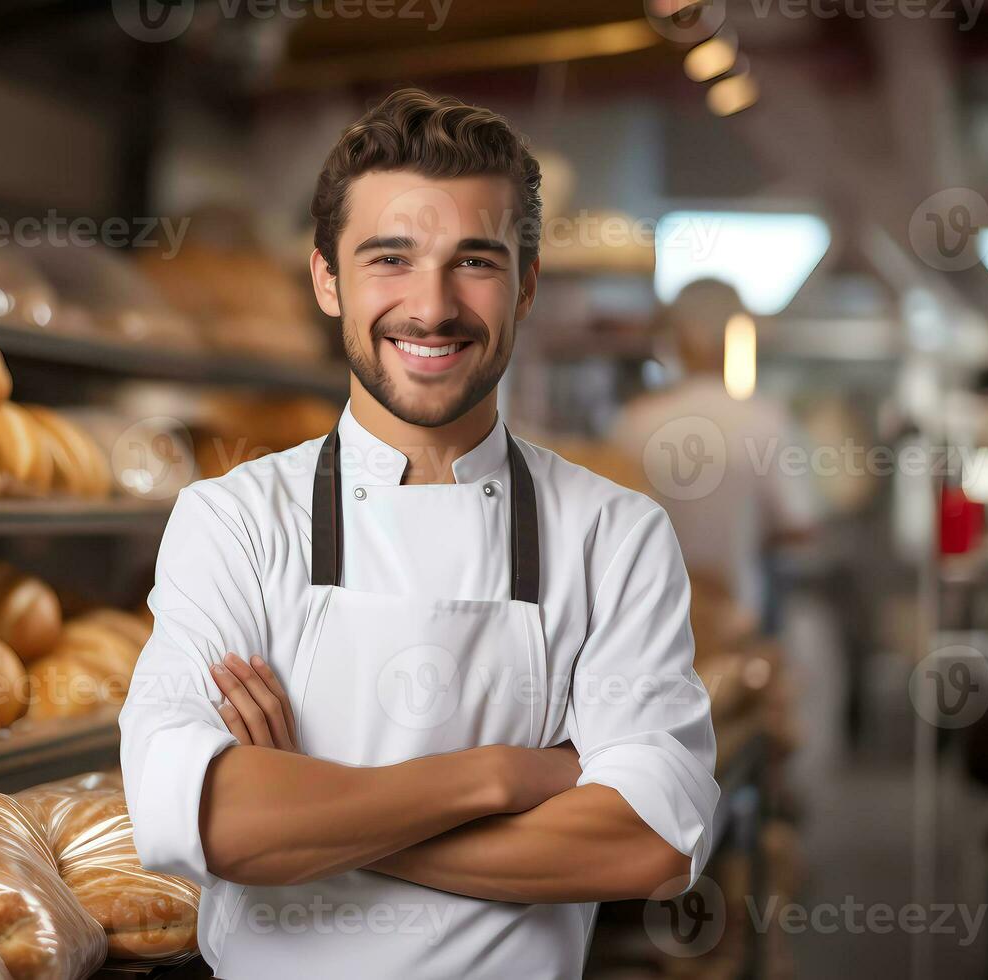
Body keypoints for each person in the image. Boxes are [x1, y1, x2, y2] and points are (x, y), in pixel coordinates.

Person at [120, 89, 719, 979]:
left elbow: (646, 846)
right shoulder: (233, 520)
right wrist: (499, 778)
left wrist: (319, 820)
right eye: (389, 258)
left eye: (473, 261)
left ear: (526, 281)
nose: (431, 308)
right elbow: (207, 821)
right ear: (327, 278)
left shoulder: (614, 535)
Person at [612, 279, 819, 631]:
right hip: (736, 623)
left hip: (646, 622)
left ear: (675, 338)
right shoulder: (764, 421)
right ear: (732, 337)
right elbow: (799, 527)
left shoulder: (632, 424)